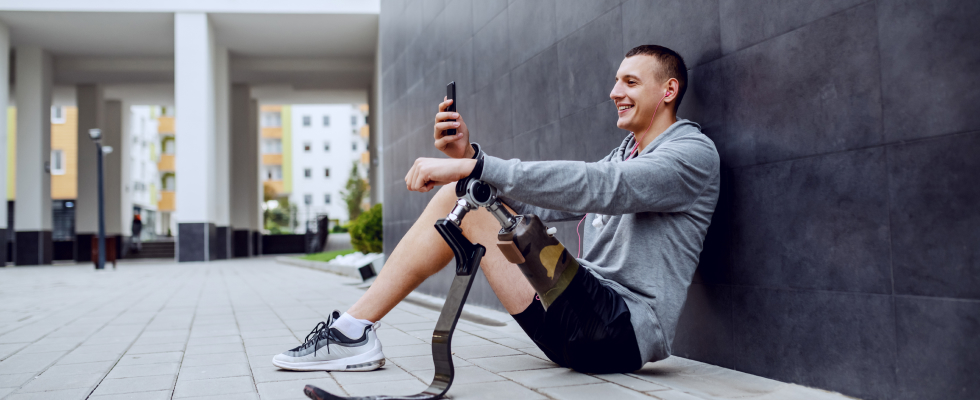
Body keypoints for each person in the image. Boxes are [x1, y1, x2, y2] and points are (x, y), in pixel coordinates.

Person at [272, 45, 720, 374]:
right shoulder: (626, 151)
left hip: (619, 331)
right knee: (468, 197)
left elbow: (600, 188)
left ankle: (352, 331)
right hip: (572, 321)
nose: (613, 91)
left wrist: (477, 166)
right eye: (616, 80)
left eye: (630, 82)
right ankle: (354, 329)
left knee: (461, 194)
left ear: (669, 90)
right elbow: (535, 202)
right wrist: (469, 158)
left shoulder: (690, 155)